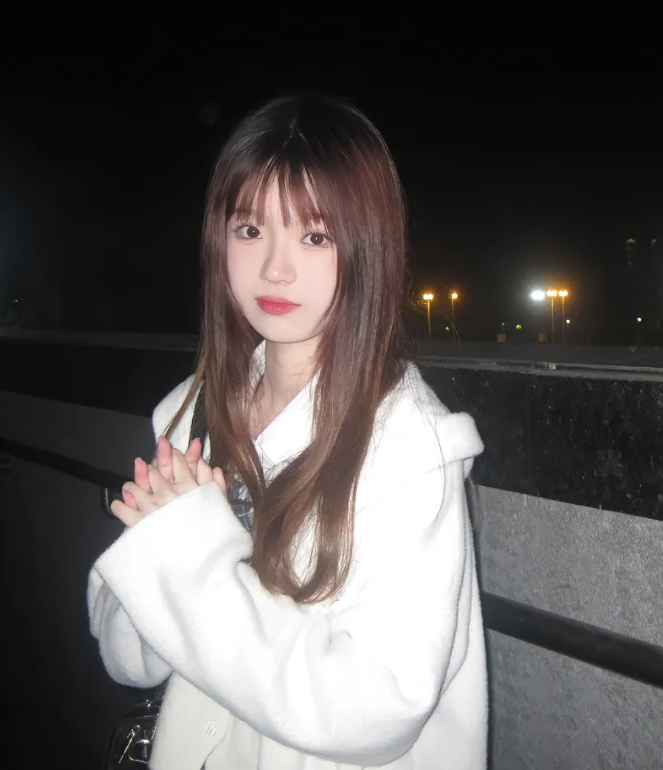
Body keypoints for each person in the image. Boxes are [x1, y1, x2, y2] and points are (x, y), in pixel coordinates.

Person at [87, 93, 487, 770]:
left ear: (366, 248)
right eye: (249, 230)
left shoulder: (409, 448)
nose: (275, 267)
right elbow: (125, 655)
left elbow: (379, 709)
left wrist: (189, 563)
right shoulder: (191, 413)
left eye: (315, 236)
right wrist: (169, 567)